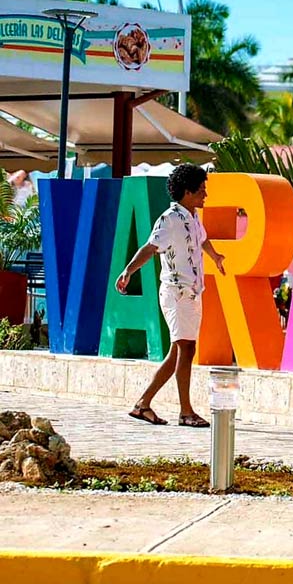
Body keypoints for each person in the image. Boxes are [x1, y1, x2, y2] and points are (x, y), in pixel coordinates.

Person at [118, 164, 225, 428]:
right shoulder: (170, 219)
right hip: (177, 293)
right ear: (187, 192)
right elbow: (150, 247)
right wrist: (128, 270)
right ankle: (186, 412)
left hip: (192, 292)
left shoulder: (193, 217)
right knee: (186, 349)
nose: (205, 194)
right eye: (201, 190)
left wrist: (215, 257)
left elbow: (202, 239)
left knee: (178, 352)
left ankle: (143, 404)